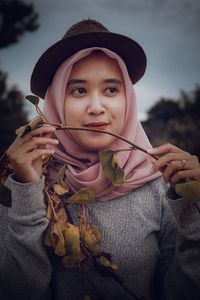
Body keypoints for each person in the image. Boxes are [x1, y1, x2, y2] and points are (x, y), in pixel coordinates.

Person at [0, 19, 200, 300]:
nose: (96, 108)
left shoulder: (162, 185)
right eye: (79, 90)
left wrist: (195, 211)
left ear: (128, 99)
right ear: (56, 102)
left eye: (111, 90)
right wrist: (25, 191)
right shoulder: (24, 182)